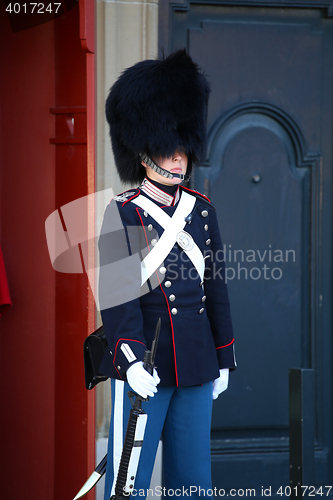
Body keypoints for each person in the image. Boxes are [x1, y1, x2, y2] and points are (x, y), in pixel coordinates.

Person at [98, 49, 236, 500]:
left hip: (197, 362)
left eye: (183, 150)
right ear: (143, 154)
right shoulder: (123, 214)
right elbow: (119, 298)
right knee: (129, 485)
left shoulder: (202, 211)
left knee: (193, 483)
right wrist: (132, 360)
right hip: (147, 366)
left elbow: (215, 288)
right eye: (167, 150)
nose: (178, 160)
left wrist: (224, 356)